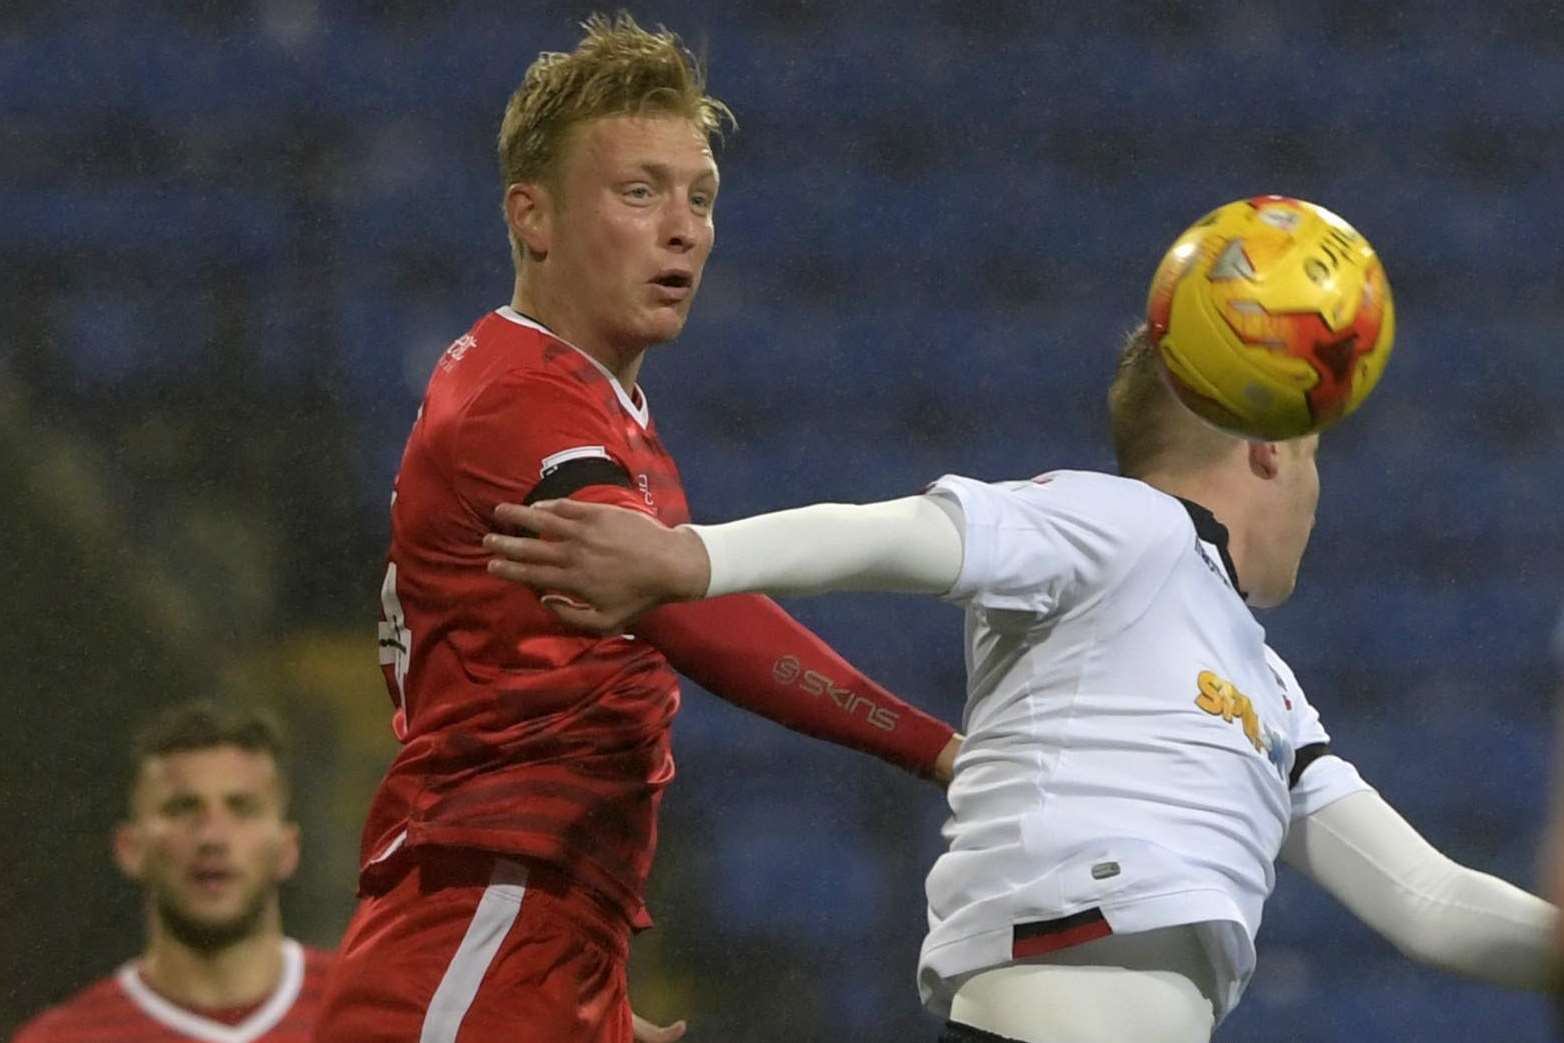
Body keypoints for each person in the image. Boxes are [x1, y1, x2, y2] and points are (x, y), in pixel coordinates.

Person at [484, 324, 1560, 1043]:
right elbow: (913, 532)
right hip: (1049, 997)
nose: (1321, 499)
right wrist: (692, 558)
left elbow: (1428, 900)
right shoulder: (1121, 523)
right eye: (1316, 458)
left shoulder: (1269, 688)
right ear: (1269, 449)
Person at [311, 13, 959, 1043]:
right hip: (482, 913)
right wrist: (937, 749)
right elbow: (686, 604)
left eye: (700, 198)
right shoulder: (519, 398)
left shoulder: (591, 401)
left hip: (542, 927)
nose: (683, 227)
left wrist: (589, 986)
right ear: (534, 216)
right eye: (639, 191)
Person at [11, 702, 331, 1043]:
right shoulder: (62, 1039)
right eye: (182, 809)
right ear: (130, 848)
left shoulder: (373, 1009)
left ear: (287, 848)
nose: (212, 837)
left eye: (242, 808)